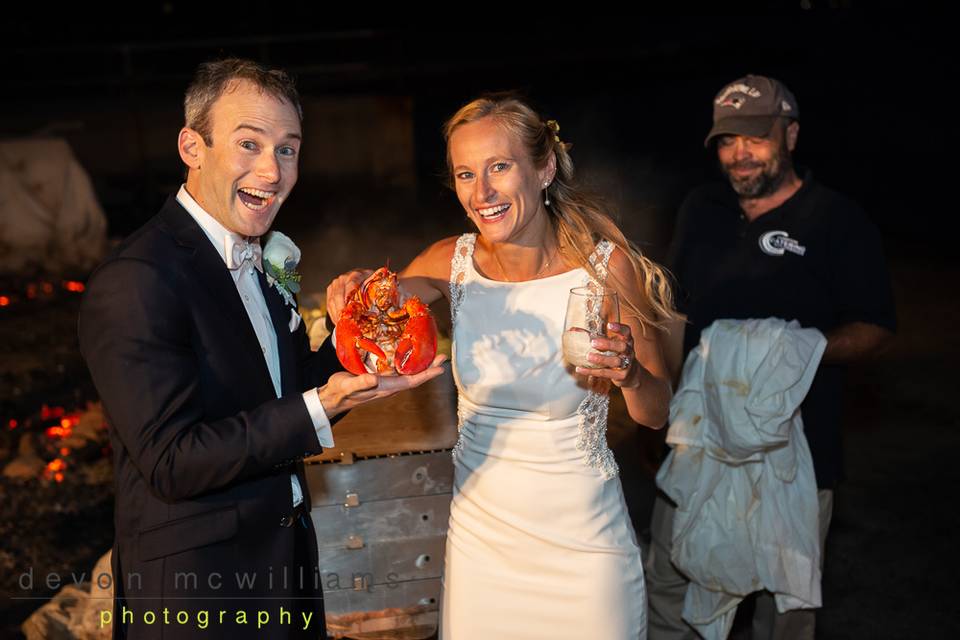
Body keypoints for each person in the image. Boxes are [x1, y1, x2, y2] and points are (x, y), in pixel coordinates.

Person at [78, 58, 444, 640]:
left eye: (288, 149)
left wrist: (357, 334)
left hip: (286, 572)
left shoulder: (268, 256)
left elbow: (286, 386)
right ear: (191, 147)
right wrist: (321, 406)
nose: (271, 171)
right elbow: (173, 461)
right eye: (249, 144)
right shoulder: (136, 279)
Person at [327, 95, 675, 639]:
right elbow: (381, 306)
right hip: (482, 553)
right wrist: (354, 294)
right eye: (466, 174)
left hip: (586, 553)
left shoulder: (608, 269)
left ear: (544, 168)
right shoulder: (452, 262)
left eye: (499, 167)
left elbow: (656, 414)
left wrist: (630, 374)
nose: (481, 193)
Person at [646, 74, 896, 639]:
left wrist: (790, 353)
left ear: (791, 135)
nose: (740, 154)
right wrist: (660, 399)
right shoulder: (701, 209)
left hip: (798, 446)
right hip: (701, 435)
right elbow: (675, 312)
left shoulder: (837, 220)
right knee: (670, 578)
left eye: (756, 138)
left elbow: (877, 328)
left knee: (785, 604)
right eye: (728, 141)